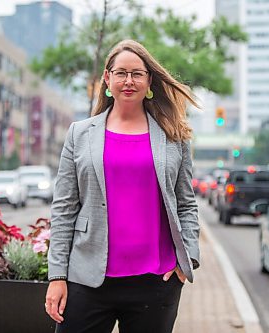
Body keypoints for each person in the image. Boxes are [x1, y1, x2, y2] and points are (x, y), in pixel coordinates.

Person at [45, 39, 200, 333]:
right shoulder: (80, 134)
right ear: (107, 78)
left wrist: (188, 257)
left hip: (156, 282)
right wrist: (57, 276)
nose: (128, 81)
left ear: (149, 80)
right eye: (120, 73)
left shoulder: (173, 136)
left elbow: (186, 203)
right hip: (88, 278)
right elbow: (64, 208)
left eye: (137, 73)